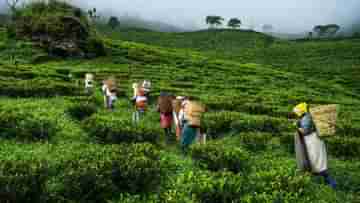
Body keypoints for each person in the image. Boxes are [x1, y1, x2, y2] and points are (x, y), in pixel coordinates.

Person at [293, 102, 336, 189]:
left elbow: (305, 131)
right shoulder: (308, 116)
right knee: (317, 161)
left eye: (297, 111)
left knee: (314, 160)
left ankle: (331, 183)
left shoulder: (306, 118)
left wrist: (296, 127)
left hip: (312, 142)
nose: (296, 114)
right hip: (314, 141)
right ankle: (328, 181)